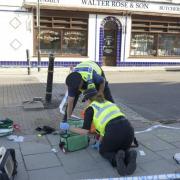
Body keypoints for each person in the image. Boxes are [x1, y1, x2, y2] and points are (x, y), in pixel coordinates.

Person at [60, 88, 137, 176]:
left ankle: (116, 159)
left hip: (114, 132)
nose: (86, 103)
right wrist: (100, 141)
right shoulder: (109, 103)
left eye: (86, 101)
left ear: (89, 99)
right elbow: (104, 128)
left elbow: (85, 131)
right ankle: (129, 155)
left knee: (104, 152)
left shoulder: (90, 109)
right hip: (129, 131)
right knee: (120, 148)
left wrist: (68, 127)